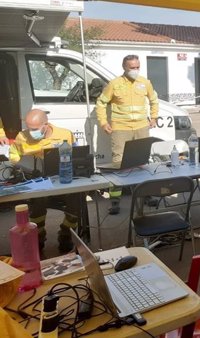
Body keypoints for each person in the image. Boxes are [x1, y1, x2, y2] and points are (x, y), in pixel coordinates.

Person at [9, 109, 79, 253]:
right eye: (28, 128)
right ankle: (38, 237)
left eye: (34, 129)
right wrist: (22, 164)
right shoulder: (22, 137)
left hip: (62, 178)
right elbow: (13, 155)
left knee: (77, 198)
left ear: (46, 125)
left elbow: (77, 154)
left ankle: (66, 233)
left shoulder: (65, 134)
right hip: (37, 182)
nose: (30, 132)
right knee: (37, 202)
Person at [96, 54, 159, 214]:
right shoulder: (114, 84)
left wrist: (154, 117)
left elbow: (154, 100)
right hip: (120, 128)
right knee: (118, 163)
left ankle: (146, 195)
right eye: (132, 67)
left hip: (141, 127)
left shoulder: (145, 83)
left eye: (137, 67)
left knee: (142, 161)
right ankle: (115, 200)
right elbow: (101, 103)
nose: (135, 70)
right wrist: (103, 122)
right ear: (124, 67)